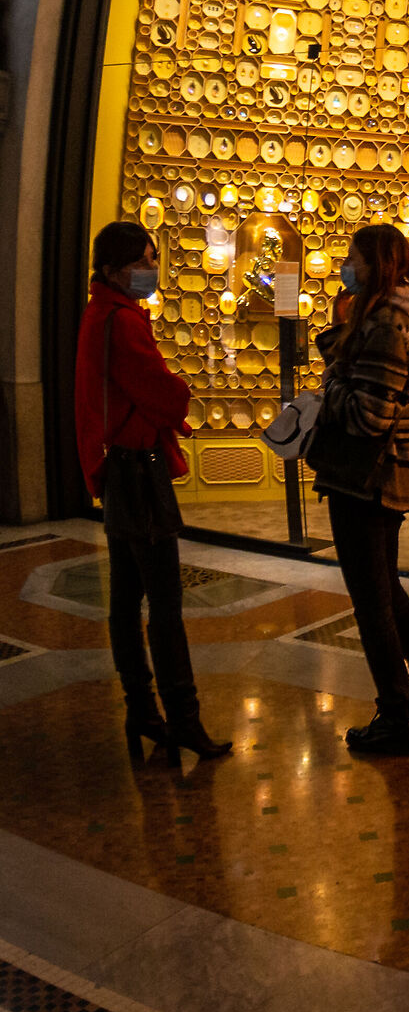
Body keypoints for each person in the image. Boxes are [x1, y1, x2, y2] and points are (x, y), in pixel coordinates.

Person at [75, 222, 229, 762]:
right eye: (143, 260)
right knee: (163, 601)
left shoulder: (101, 315)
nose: (150, 269)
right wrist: (179, 390)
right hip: (140, 472)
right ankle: (183, 718)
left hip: (118, 469)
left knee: (125, 598)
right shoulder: (122, 323)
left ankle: (141, 711)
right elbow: (164, 396)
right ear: (116, 269)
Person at [314, 224, 409, 755]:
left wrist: (331, 386)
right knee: (384, 587)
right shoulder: (393, 318)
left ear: (377, 264)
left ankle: (394, 715)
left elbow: (371, 414)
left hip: (366, 479)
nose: (347, 266)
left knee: (372, 602)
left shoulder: (388, 325)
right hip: (385, 477)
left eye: (354, 258)